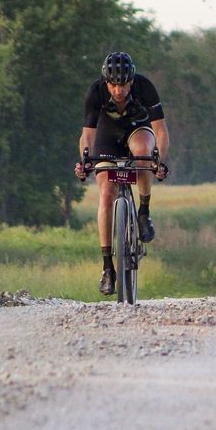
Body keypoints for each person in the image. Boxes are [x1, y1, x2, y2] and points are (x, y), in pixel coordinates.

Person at [73, 52, 169, 295]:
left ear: (131, 81)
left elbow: (161, 131)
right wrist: (85, 159)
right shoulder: (96, 92)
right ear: (106, 82)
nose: (119, 91)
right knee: (106, 194)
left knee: (143, 154)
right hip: (108, 136)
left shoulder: (145, 87)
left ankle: (144, 212)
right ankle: (108, 268)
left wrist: (159, 161)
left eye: (124, 84)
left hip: (138, 130)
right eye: (114, 85)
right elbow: (88, 134)